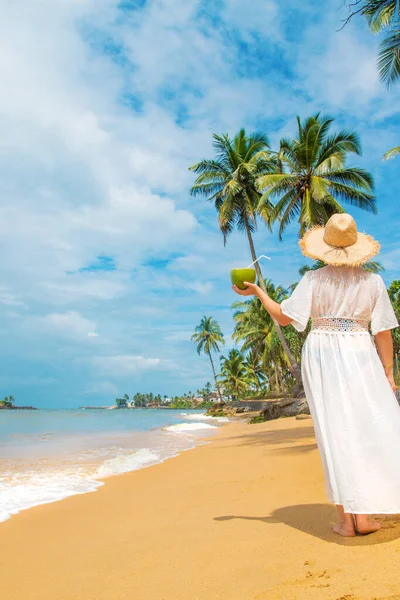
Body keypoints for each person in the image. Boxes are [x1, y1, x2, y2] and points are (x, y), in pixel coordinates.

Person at [233, 213, 399, 537]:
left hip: (322, 351)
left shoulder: (313, 279)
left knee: (334, 431)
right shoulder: (373, 282)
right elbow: (383, 333)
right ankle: (363, 517)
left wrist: (259, 292)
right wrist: (388, 374)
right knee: (366, 426)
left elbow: (284, 318)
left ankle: (348, 521)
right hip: (359, 349)